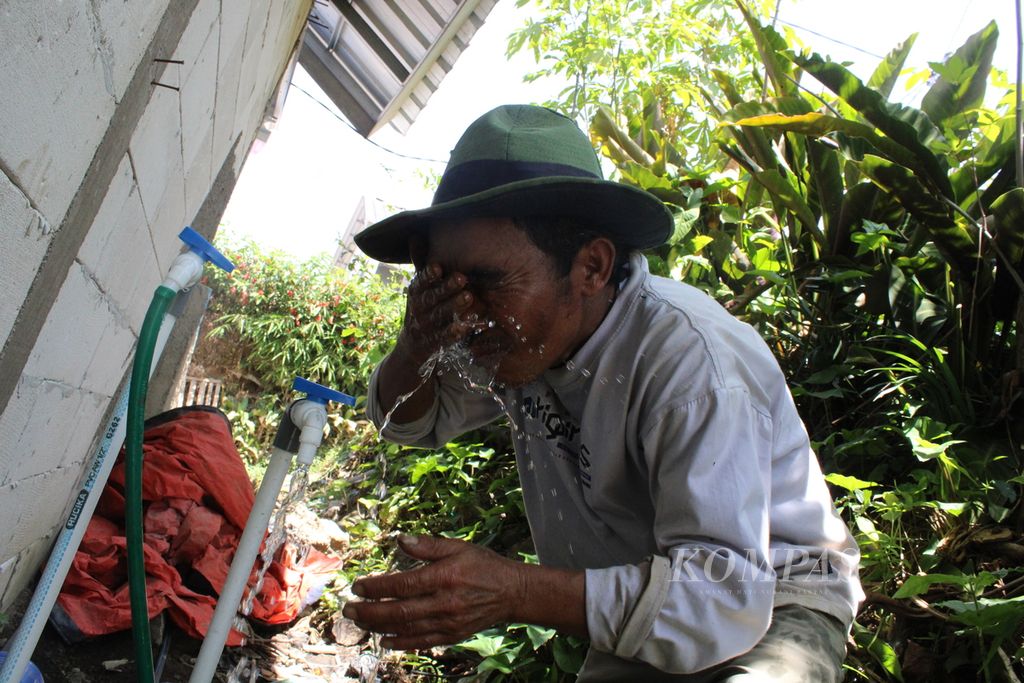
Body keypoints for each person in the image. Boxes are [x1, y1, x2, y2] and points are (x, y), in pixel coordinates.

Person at [343, 104, 863, 681]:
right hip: (645, 596)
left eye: (487, 283)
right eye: (443, 285)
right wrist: (416, 347)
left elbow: (725, 600)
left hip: (774, 600)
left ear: (590, 267)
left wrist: (515, 589)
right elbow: (408, 423)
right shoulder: (520, 338)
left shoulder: (690, 363)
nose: (463, 317)